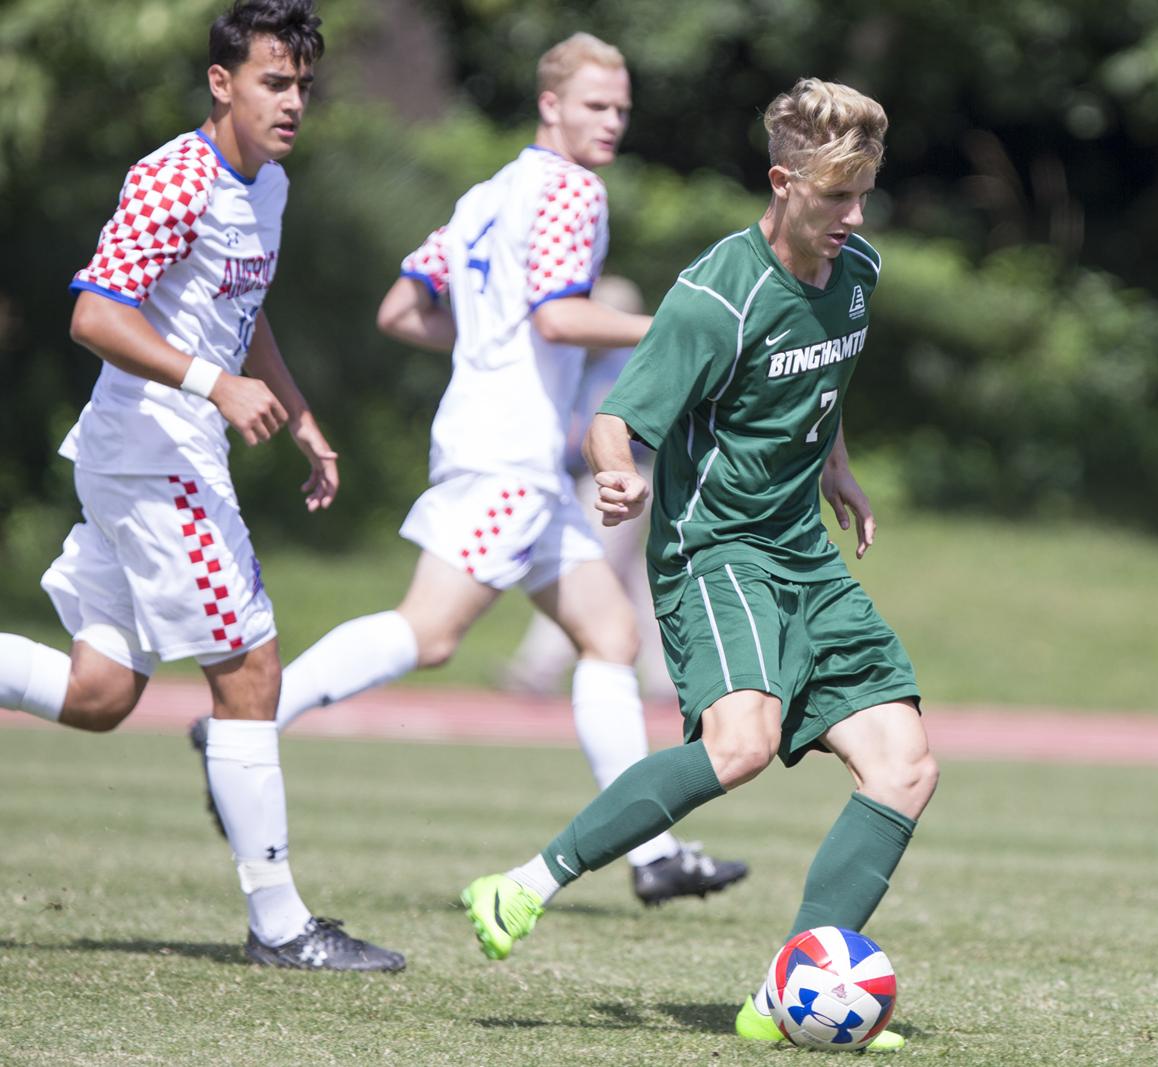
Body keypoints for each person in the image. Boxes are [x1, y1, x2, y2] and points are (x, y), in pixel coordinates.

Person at [193, 31, 747, 907]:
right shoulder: (572, 190)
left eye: (622, 110)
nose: (612, 123)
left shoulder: (490, 192)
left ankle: (654, 851)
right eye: (597, 106)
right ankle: (251, 714)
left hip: (495, 443)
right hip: (511, 458)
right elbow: (562, 320)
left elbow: (400, 310)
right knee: (430, 631)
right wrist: (680, 330)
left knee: (611, 636)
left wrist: (484, 347)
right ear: (551, 104)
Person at [458, 78, 938, 1052]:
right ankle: (524, 880)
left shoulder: (858, 270)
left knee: (905, 765)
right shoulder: (717, 294)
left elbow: (828, 370)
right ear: (782, 181)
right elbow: (616, 418)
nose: (855, 215)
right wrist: (616, 478)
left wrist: (836, 466)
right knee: (740, 741)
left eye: (864, 193)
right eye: (837, 195)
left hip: (803, 551)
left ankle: (789, 993)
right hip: (714, 549)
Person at [0, 0, 403, 972]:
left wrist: (298, 411)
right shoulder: (176, 177)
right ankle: (280, 925)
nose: (293, 100)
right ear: (222, 83)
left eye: (303, 83)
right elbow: (96, 314)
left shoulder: (268, 186)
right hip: (153, 455)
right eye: (274, 80)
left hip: (153, 452)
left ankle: (279, 922)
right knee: (252, 671)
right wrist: (213, 384)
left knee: (101, 693)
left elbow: (242, 310)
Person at [497, 275, 674, 703]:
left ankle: (537, 668)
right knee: (632, 583)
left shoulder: (628, 363)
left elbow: (610, 433)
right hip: (598, 480)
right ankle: (666, 678)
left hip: (619, 481)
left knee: (580, 566)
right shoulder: (590, 362)